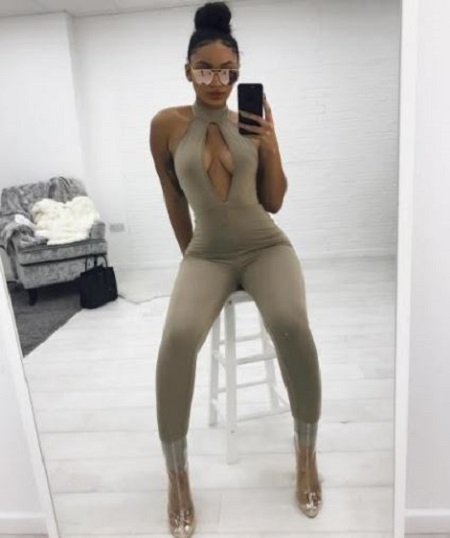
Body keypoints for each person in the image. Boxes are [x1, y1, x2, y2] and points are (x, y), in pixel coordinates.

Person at [149, 2, 322, 536]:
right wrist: (192, 261)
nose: (217, 82)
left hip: (266, 246)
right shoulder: (166, 125)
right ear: (187, 70)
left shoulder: (250, 119)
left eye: (228, 71)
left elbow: (274, 201)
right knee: (178, 336)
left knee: (291, 323)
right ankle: (177, 477)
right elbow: (173, 199)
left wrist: (271, 144)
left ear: (238, 73)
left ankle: (306, 455)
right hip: (208, 253)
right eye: (206, 69)